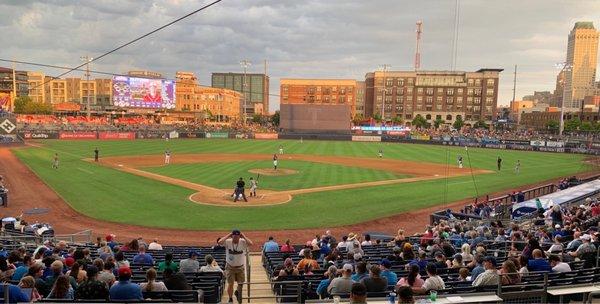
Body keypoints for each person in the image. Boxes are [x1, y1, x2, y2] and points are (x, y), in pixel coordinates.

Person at [218, 230, 253, 304]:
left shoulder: (243, 241)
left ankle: (237, 292)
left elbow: (251, 243)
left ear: (239, 237)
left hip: (240, 267)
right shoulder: (228, 241)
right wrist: (229, 235)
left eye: (237, 237)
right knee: (230, 284)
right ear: (232, 236)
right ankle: (230, 298)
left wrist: (243, 236)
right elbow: (219, 242)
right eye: (234, 236)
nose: (235, 238)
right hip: (230, 267)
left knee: (241, 284)